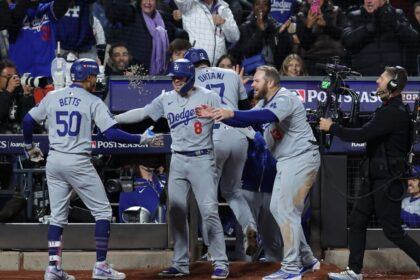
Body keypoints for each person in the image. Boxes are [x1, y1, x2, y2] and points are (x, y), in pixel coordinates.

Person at [22, 58, 159, 280]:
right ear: (87, 77)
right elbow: (111, 134)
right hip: (77, 161)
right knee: (103, 212)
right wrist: (140, 139)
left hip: (54, 160)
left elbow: (27, 121)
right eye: (94, 76)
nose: (95, 79)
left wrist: (29, 147)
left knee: (57, 216)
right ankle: (101, 266)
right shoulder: (92, 100)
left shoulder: (53, 96)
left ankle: (53, 268)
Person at [196, 65, 321, 280]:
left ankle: (291, 268)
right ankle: (308, 259)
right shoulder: (264, 101)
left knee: (287, 210)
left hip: (302, 158)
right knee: (279, 209)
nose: (252, 84)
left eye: (256, 80)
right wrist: (218, 114)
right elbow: (244, 119)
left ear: (270, 82)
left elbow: (264, 116)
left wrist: (231, 111)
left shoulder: (285, 98)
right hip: (287, 161)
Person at [114, 58, 230, 279]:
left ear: (190, 77)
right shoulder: (166, 99)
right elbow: (143, 113)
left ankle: (221, 262)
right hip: (177, 159)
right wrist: (113, 118)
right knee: (176, 212)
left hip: (202, 159)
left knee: (209, 212)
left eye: (180, 77)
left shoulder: (208, 96)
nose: (176, 81)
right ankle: (180, 263)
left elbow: (228, 118)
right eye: (174, 78)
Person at [319, 66, 420, 280]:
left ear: (392, 85)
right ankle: (355, 271)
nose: (377, 82)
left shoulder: (393, 112)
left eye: (381, 78)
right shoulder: (387, 109)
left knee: (392, 231)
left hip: (387, 179)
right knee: (357, 220)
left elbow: (364, 134)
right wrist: (343, 122)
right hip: (375, 177)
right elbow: (367, 126)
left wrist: (333, 128)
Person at [184, 47, 258, 256]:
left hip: (213, 137)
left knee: (208, 197)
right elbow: (244, 108)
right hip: (239, 135)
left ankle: (213, 251)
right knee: (233, 191)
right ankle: (249, 227)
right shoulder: (232, 74)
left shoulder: (189, 77)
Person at [103, 0, 184, 75]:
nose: (148, 2)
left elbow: (178, 36)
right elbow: (111, 12)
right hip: (132, 74)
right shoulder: (130, 14)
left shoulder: (163, 19)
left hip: (159, 77)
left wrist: (178, 21)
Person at [342, 0, 418, 76]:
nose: (368, 1)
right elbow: (347, 41)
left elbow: (414, 39)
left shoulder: (397, 14)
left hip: (393, 76)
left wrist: (396, 25)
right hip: (364, 77)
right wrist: (370, 27)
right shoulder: (354, 16)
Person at [8, 0, 70, 77]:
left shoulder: (47, 9)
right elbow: (15, 20)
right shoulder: (11, 9)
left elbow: (62, 5)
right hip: (20, 76)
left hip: (47, 76)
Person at [230, 0, 292, 72]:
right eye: (257, 4)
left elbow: (284, 55)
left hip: (273, 71)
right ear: (253, 7)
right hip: (251, 72)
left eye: (265, 4)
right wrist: (260, 31)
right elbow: (246, 52)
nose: (261, 7)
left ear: (269, 8)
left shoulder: (277, 27)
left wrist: (282, 35)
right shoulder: (244, 28)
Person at [174, 0, 240, 66]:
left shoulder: (223, 8)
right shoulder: (189, 5)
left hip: (218, 65)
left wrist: (224, 22)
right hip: (196, 63)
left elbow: (235, 37)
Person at [295, 0, 346, 75]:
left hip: (335, 59)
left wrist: (325, 26)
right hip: (312, 61)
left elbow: (342, 35)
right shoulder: (301, 15)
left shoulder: (336, 11)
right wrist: (308, 26)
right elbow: (305, 45)